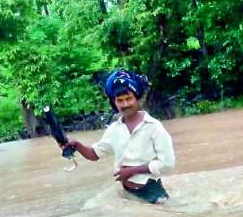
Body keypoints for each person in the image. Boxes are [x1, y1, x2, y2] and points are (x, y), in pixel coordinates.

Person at [63, 69, 175, 204]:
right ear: (114, 103)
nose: (125, 104)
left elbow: (168, 163)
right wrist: (76, 145)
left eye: (129, 99)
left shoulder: (154, 127)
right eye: (120, 100)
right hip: (127, 194)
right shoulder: (114, 129)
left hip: (153, 195)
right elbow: (94, 154)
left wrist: (133, 171)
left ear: (137, 98)